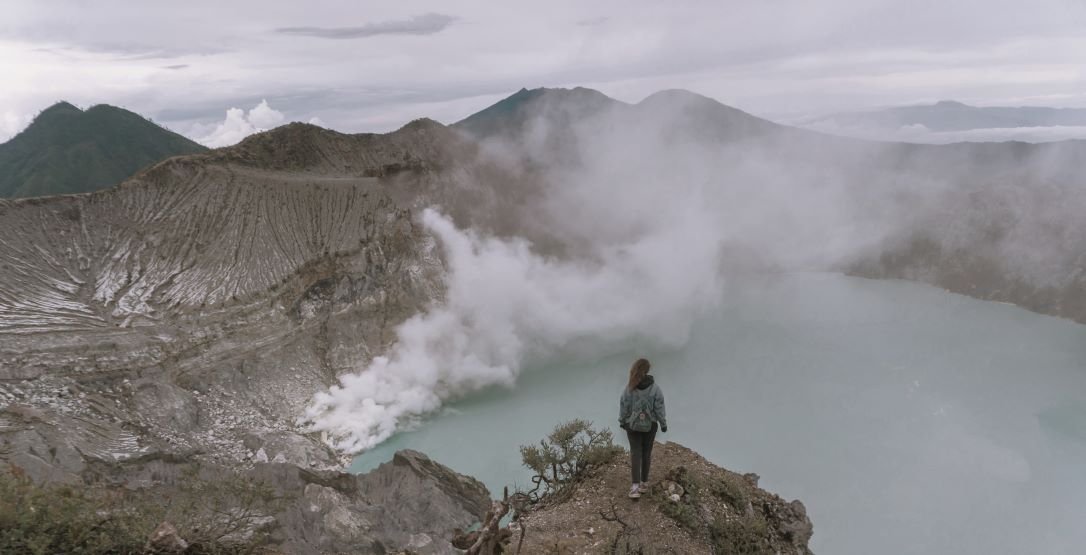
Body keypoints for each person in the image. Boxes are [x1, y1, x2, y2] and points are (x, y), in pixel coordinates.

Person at [618, 357, 667, 499]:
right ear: (647, 371)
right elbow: (659, 407)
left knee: (635, 453)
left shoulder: (630, 387)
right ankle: (644, 484)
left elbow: (624, 405)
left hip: (632, 426)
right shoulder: (655, 388)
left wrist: (622, 421)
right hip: (650, 426)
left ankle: (634, 488)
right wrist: (663, 424)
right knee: (646, 453)